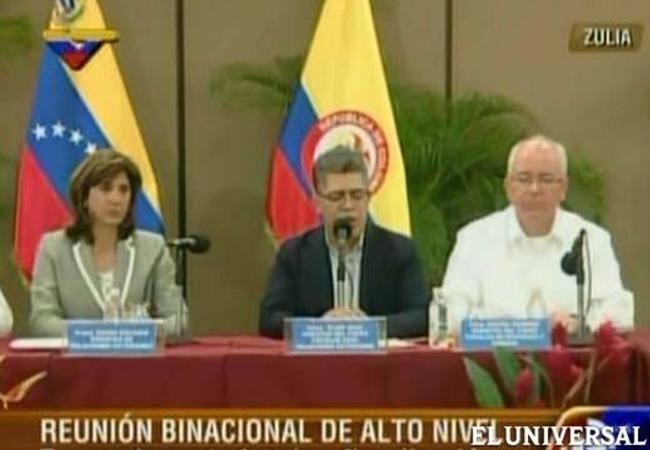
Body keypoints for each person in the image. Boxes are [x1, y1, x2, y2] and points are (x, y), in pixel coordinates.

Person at [442, 135, 633, 332]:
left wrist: (578, 325)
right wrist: (505, 328)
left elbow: (620, 313)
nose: (534, 189)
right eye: (524, 179)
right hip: (494, 350)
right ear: (508, 187)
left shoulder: (591, 239)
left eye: (546, 179)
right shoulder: (474, 239)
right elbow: (449, 313)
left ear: (563, 188)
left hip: (569, 350)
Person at [259, 145, 428, 339]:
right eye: (337, 196)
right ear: (317, 201)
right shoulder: (294, 253)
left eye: (357, 195)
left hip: (377, 356)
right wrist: (320, 327)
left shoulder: (399, 251)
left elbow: (421, 316)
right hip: (317, 357)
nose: (348, 205)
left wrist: (368, 328)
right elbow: (269, 319)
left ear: (368, 198)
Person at [30, 150, 187, 337]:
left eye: (123, 190)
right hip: (77, 355)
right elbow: (42, 321)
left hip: (138, 355)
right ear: (84, 197)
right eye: (105, 188)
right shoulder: (53, 248)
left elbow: (178, 321)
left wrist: (133, 333)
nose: (116, 199)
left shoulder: (153, 248)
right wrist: (99, 335)